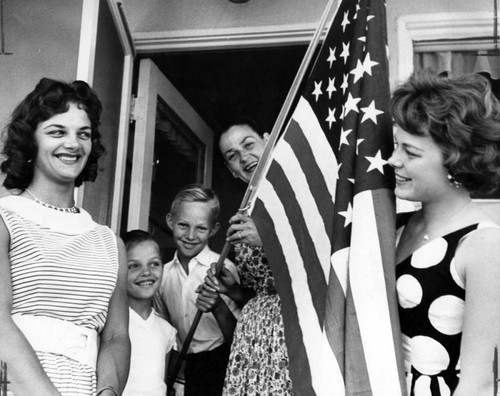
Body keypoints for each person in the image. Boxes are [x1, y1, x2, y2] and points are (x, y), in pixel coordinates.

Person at [0, 78, 130, 396]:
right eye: (57, 132)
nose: (73, 144)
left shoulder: (110, 243)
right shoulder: (5, 219)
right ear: (30, 141)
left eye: (82, 134)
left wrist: (108, 392)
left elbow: (116, 337)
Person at [388, 70, 500, 395]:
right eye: (396, 146)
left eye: (411, 153)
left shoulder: (483, 244)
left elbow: (480, 383)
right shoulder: (395, 226)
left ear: (455, 161)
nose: (393, 160)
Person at [200, 118, 294, 395]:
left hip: (293, 332)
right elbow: (262, 294)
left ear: (268, 140)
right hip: (253, 340)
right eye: (233, 155)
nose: (244, 157)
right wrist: (233, 290)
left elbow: (318, 269)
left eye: (249, 144)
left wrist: (268, 241)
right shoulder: (245, 214)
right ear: (230, 170)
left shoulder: (300, 195)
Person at [158, 184, 240, 396]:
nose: (191, 235)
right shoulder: (163, 275)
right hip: (183, 365)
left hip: (221, 362)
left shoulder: (223, 269)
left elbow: (239, 334)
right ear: (170, 221)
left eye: (201, 228)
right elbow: (166, 330)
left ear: (213, 229)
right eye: (183, 225)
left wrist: (217, 306)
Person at [121, 230, 177, 396]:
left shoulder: (167, 330)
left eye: (154, 264)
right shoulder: (110, 324)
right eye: (134, 266)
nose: (146, 272)